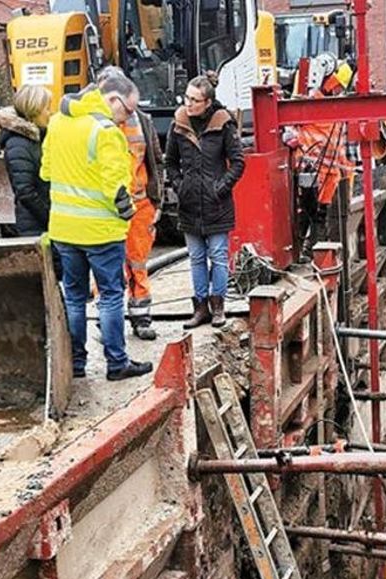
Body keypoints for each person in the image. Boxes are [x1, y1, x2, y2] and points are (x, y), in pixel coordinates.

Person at [40, 75, 152, 381]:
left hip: (64, 229)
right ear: (113, 99)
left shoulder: (58, 123)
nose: (127, 118)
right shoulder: (106, 131)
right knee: (111, 296)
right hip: (102, 231)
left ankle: (76, 364)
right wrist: (127, 211)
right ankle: (117, 363)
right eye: (128, 110)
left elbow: (46, 171)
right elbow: (115, 184)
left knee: (74, 297)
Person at [165, 74, 245, 329]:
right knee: (197, 257)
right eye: (187, 98)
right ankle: (200, 307)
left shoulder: (223, 123)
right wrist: (180, 186)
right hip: (190, 203)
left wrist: (219, 188)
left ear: (207, 102)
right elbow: (170, 162)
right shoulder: (179, 123)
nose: (188, 104)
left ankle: (218, 305)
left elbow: (238, 162)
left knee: (218, 256)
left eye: (194, 100)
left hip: (216, 204)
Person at [98, 66, 164, 341]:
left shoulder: (142, 121)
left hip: (139, 204)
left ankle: (141, 316)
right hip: (108, 207)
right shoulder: (97, 123)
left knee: (138, 263)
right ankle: (108, 320)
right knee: (109, 267)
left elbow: (155, 161)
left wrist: (157, 200)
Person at [285, 57, 354, 260]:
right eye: (337, 86)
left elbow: (340, 146)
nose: (338, 91)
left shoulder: (332, 106)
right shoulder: (310, 102)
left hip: (328, 173)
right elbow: (290, 131)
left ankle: (310, 253)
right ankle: (302, 253)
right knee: (308, 214)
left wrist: (346, 172)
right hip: (311, 170)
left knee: (318, 215)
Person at [0, 84, 52, 236]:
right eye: (47, 108)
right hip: (36, 226)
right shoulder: (18, 144)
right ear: (35, 110)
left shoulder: (38, 137)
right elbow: (25, 192)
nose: (50, 113)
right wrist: (50, 218)